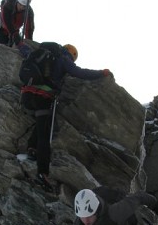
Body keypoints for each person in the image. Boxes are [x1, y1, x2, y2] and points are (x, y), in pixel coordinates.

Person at [21, 44, 113, 192]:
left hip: (26, 95)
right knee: (45, 135)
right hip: (42, 97)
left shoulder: (42, 55)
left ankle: (32, 148)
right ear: (72, 55)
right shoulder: (63, 59)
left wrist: (20, 44)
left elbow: (26, 52)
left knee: (42, 122)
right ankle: (42, 173)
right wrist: (101, 73)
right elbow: (79, 73)